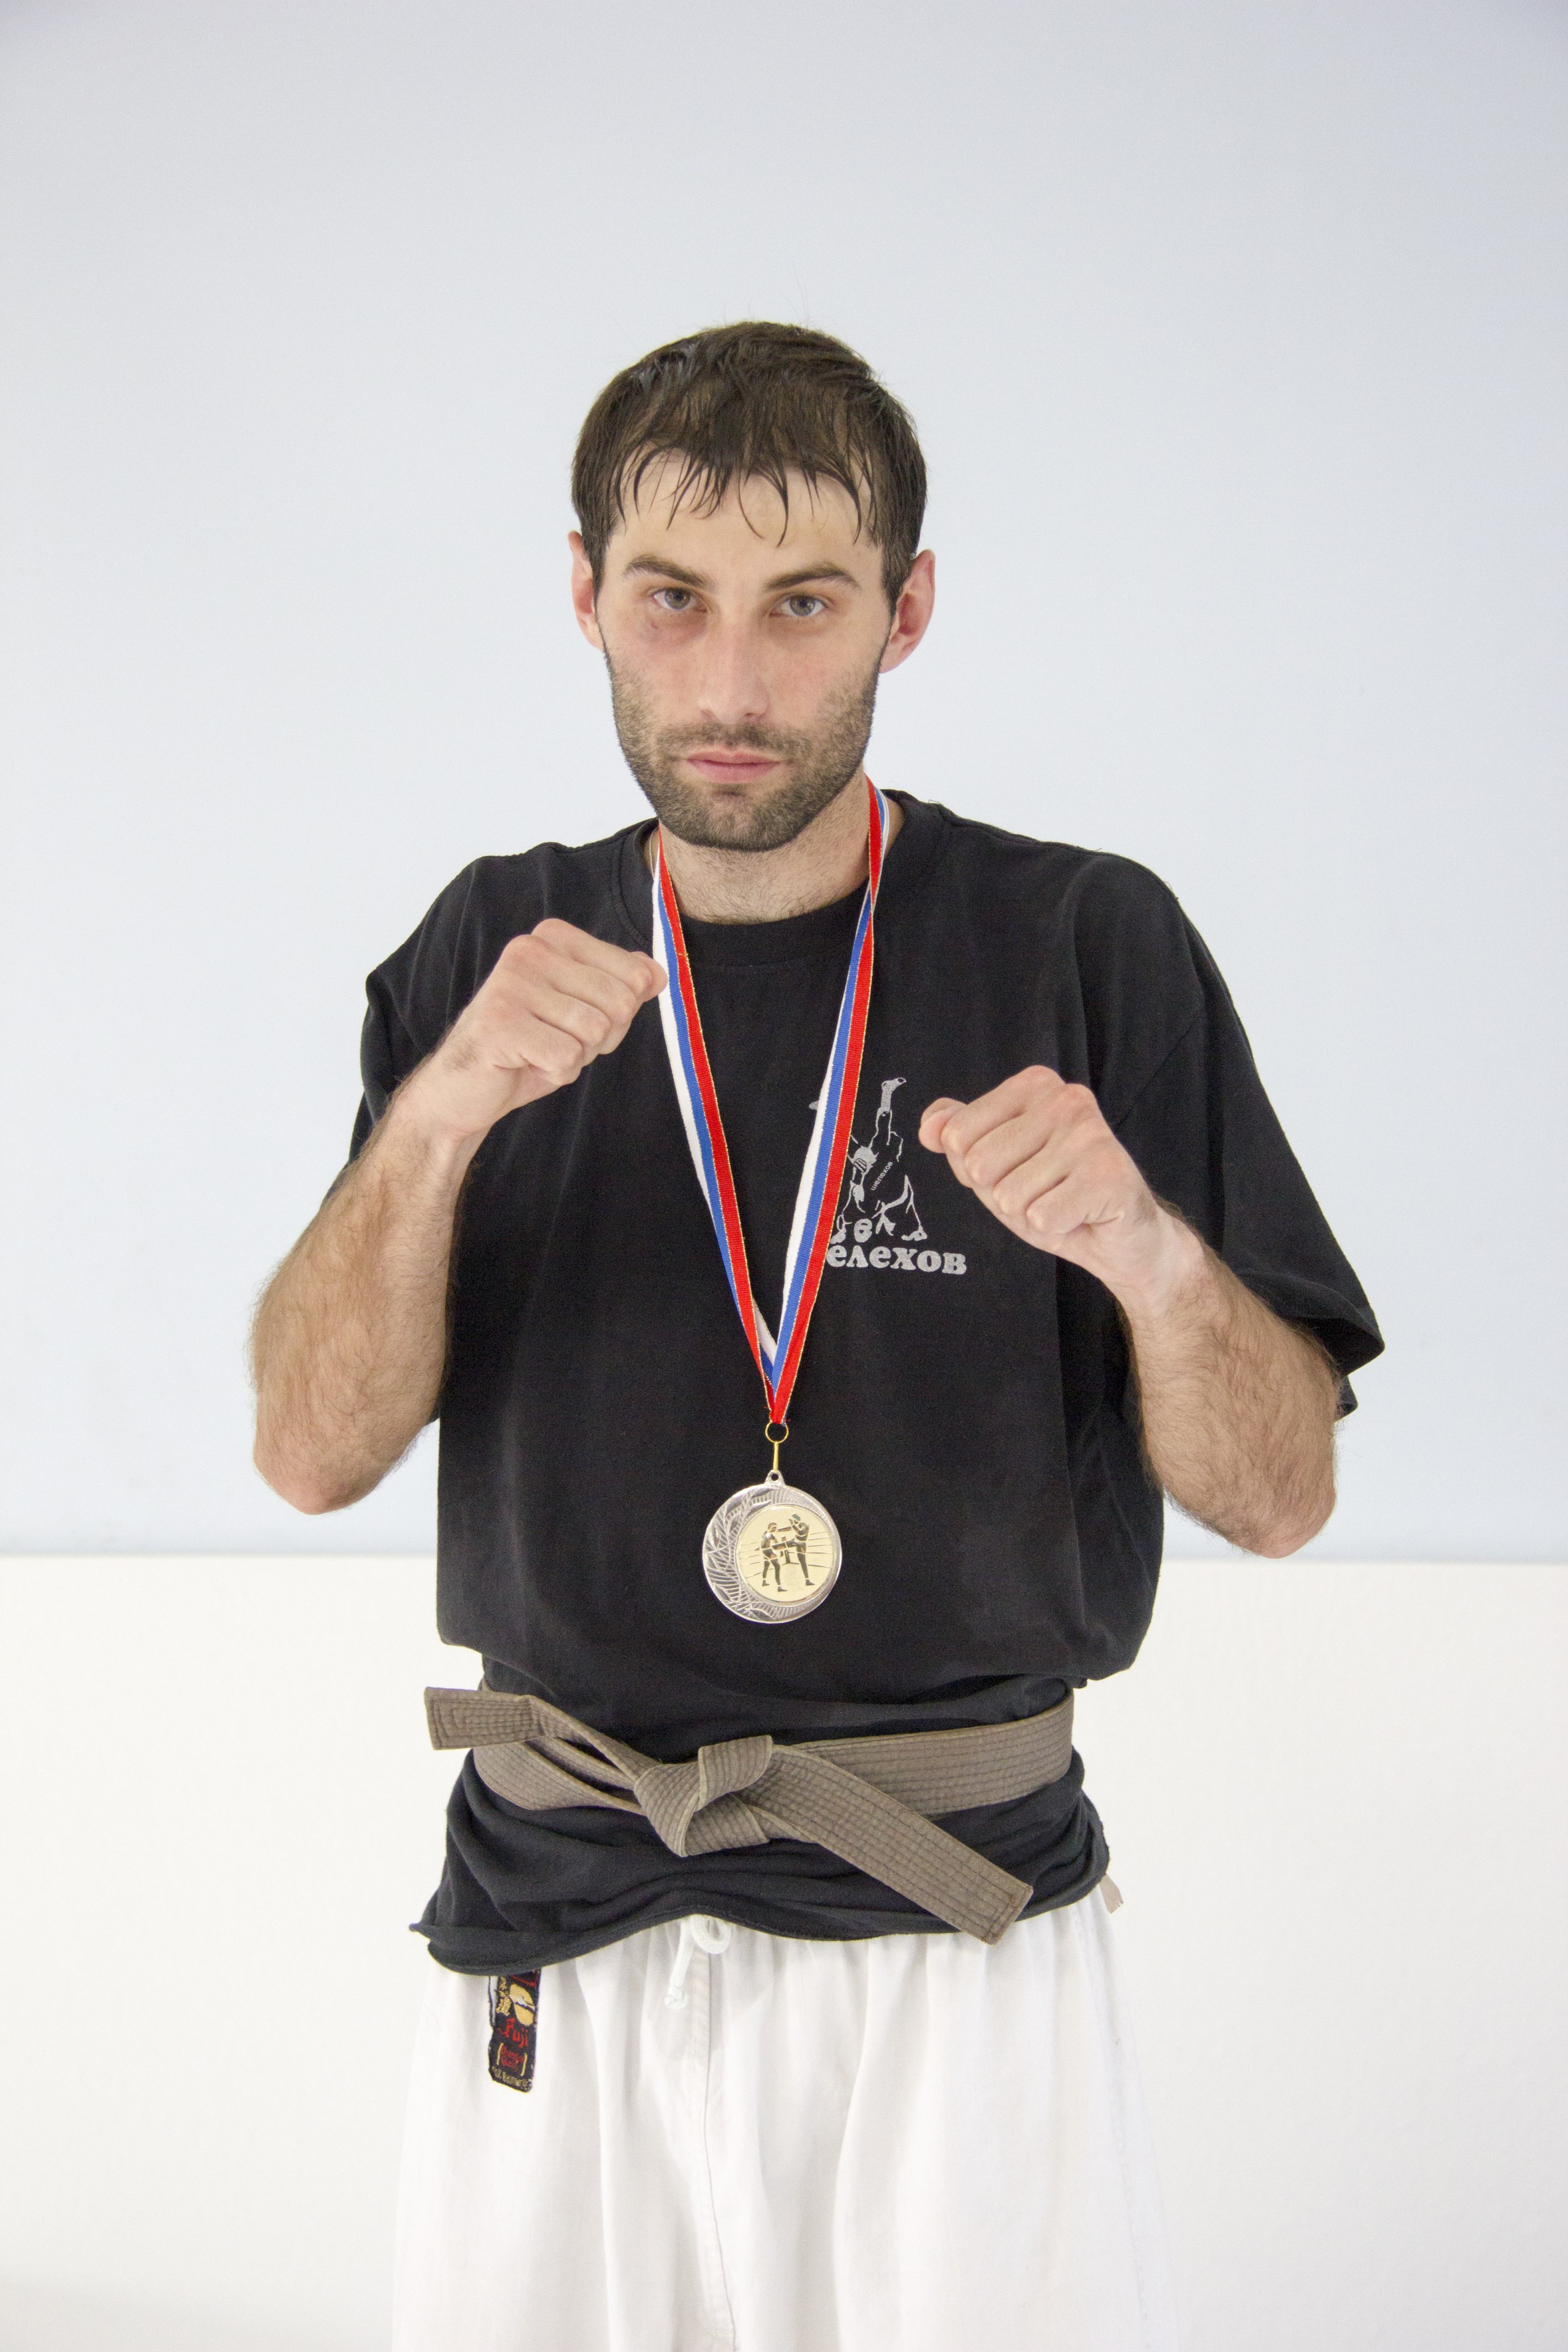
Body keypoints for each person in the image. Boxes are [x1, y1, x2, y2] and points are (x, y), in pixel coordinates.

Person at [250, 322, 1382, 2352]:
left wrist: (1145, 1254)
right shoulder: (490, 947)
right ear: (583, 594)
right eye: (671, 600)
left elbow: (1281, 1499)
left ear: (906, 610)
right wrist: (435, 1122)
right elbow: (309, 1454)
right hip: (559, 1916)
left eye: (803, 604)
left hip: (950, 1925)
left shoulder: (1078, 941)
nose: (732, 687)